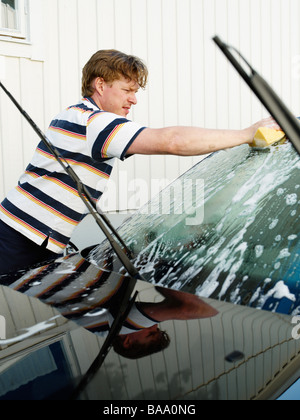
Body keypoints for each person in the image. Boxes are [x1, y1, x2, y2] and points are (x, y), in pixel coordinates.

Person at [0, 49, 281, 275]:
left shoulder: (78, 116)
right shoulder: (93, 122)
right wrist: (246, 134)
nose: (134, 100)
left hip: (28, 237)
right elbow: (172, 141)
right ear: (100, 85)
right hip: (17, 241)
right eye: (127, 90)